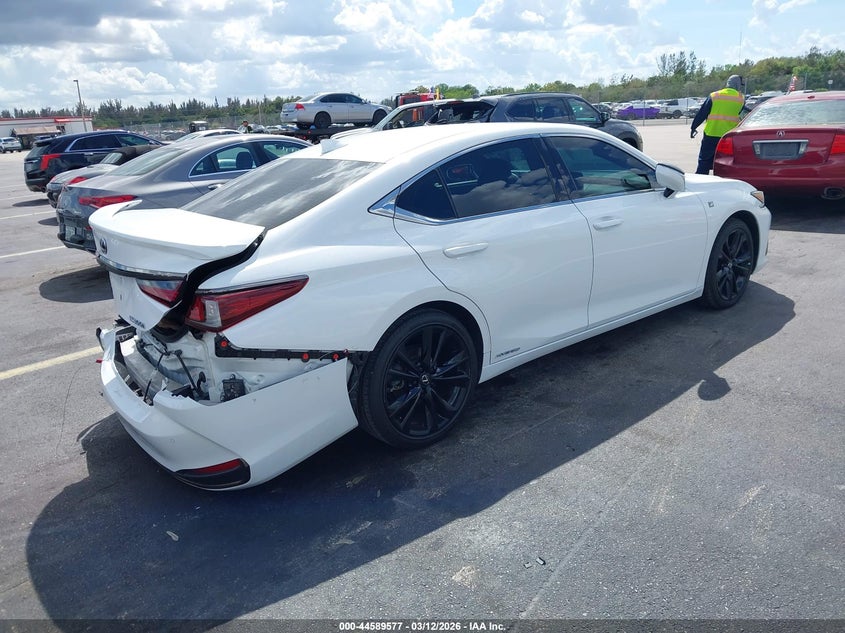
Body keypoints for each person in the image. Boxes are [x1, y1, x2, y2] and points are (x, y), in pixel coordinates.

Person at [690, 75, 747, 174]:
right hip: (728, 137)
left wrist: (693, 127)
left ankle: (700, 182)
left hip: (711, 133)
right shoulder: (741, 99)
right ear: (738, 85)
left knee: (704, 161)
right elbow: (743, 116)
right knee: (725, 162)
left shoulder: (714, 96)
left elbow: (702, 113)